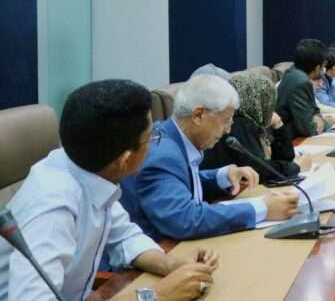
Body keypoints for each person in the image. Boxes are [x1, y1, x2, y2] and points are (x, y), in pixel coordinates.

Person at [0, 80, 219, 301]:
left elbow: (124, 237)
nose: (155, 144)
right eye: (151, 138)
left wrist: (171, 264)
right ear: (125, 159)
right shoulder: (52, 209)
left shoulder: (86, 168)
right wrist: (158, 295)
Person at [120, 75, 299, 241]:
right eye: (226, 120)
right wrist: (262, 209)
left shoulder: (171, 136)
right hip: (161, 253)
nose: (228, 130)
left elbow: (179, 182)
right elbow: (185, 220)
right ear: (198, 115)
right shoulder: (163, 156)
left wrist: (222, 176)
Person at [203, 70, 312, 182]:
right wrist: (296, 167)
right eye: (267, 100)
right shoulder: (238, 123)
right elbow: (258, 170)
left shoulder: (253, 120)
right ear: (256, 101)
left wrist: (278, 125)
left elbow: (286, 157)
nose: (270, 105)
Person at [276, 39, 334, 138]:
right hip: (291, 140)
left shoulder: (293, 72)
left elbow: (315, 111)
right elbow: (309, 129)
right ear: (317, 67)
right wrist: (326, 122)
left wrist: (318, 120)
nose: (324, 69)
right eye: (323, 65)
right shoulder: (301, 82)